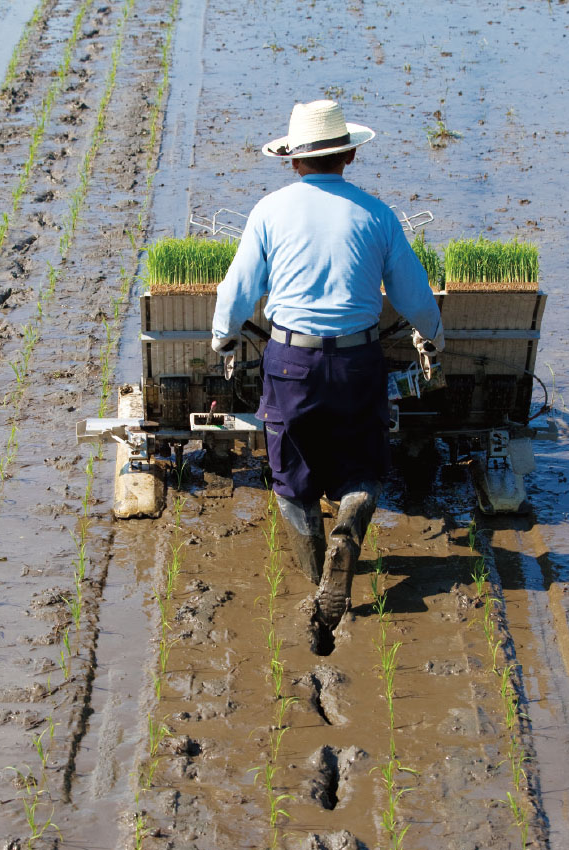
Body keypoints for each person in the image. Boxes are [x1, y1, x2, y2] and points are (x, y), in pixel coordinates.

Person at [211, 99, 444, 633]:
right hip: (360, 360)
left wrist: (223, 339)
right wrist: (435, 337)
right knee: (364, 465)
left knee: (292, 478)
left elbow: (238, 288)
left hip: (290, 359)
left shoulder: (270, 211)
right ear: (349, 158)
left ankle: (321, 586)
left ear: (293, 161)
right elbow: (413, 293)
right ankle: (348, 532)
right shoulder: (376, 214)